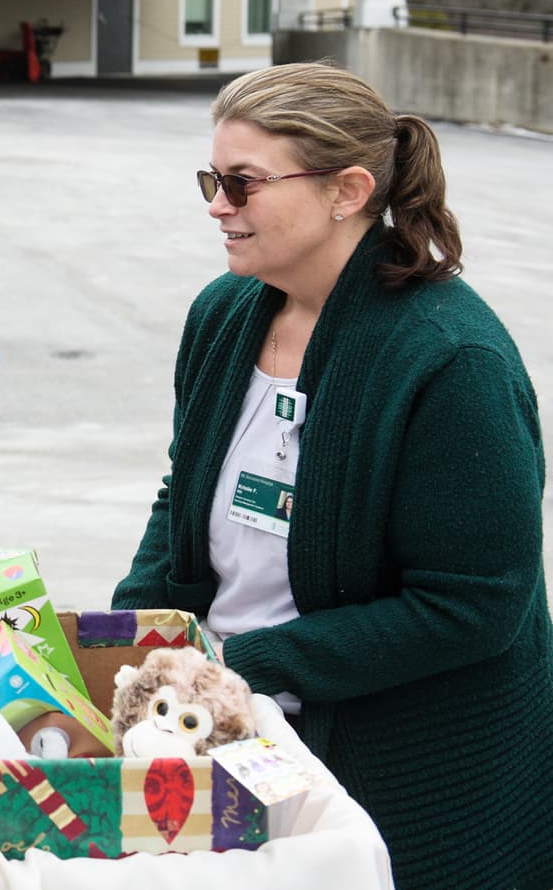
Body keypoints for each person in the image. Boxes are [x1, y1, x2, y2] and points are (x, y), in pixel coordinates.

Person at [112, 62, 550, 890]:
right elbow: (183, 491)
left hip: (406, 771)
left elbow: (475, 604)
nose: (216, 205)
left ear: (346, 191)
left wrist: (252, 665)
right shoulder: (226, 312)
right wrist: (134, 633)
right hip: (228, 721)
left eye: (242, 184)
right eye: (212, 178)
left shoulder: (452, 361)